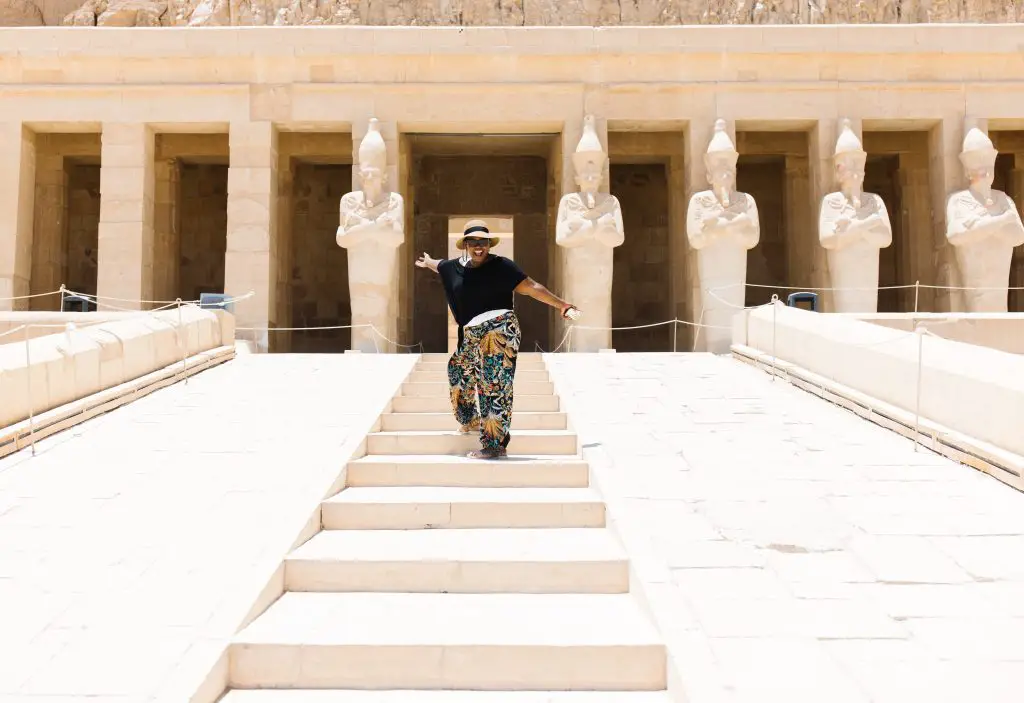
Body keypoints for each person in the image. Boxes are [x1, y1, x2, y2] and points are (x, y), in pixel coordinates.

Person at [415, 220, 579, 459]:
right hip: (470, 332)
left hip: (500, 327)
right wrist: (429, 262)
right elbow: (439, 265)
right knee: (457, 372)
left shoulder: (503, 266)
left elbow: (532, 287)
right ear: (466, 245)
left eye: (483, 243)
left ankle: (494, 444)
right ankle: (470, 419)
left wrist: (562, 305)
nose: (479, 247)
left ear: (489, 244)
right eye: (473, 243)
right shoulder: (452, 268)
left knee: (493, 383)